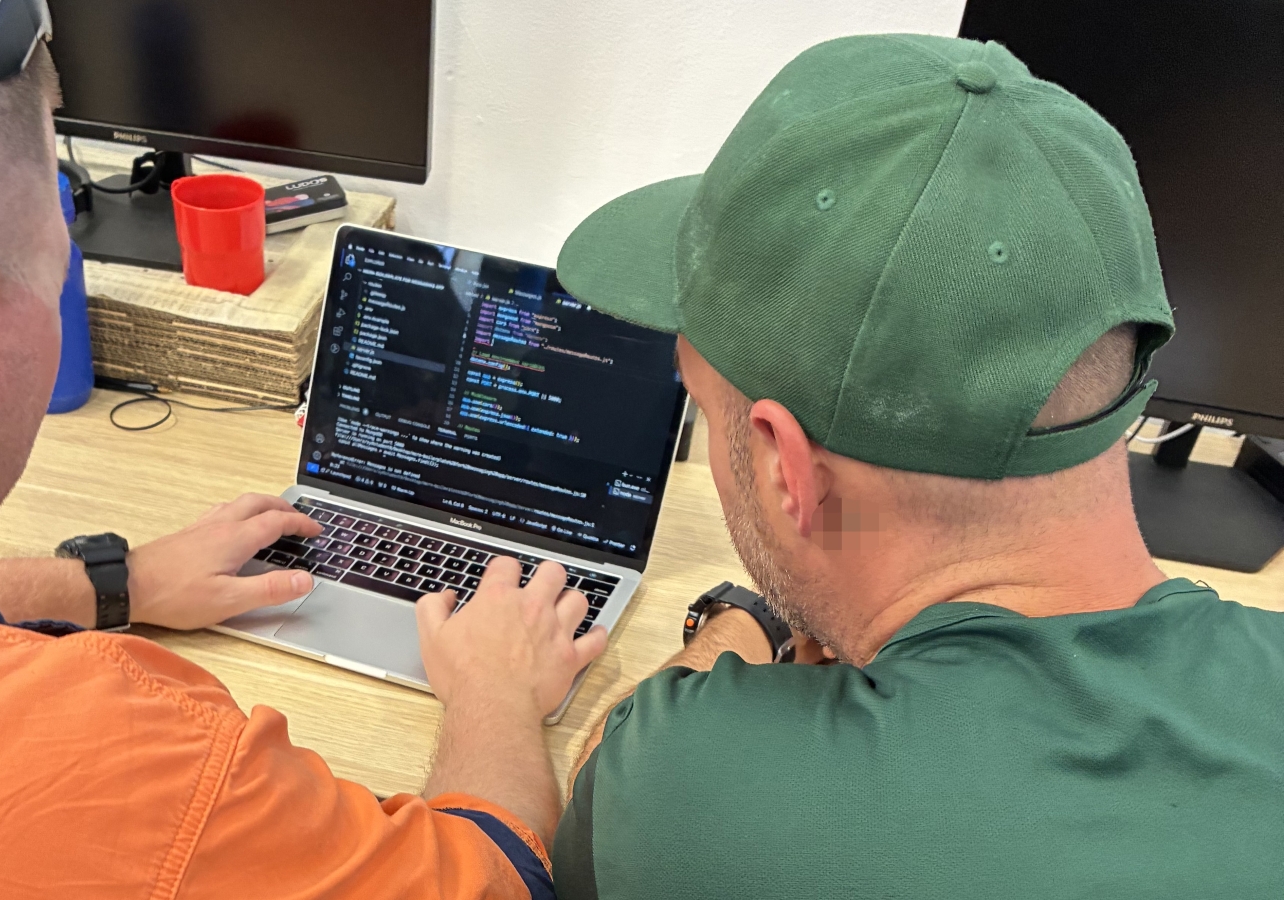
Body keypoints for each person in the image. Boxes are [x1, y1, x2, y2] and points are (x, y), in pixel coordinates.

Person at [0, 2, 603, 898]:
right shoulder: (132, 768)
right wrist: (496, 696)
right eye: (51, 273)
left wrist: (116, 581)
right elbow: (493, 880)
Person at [548, 34, 1284, 899]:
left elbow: (606, 773)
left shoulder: (684, 793)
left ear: (789, 467)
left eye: (706, 411)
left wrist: (751, 618)